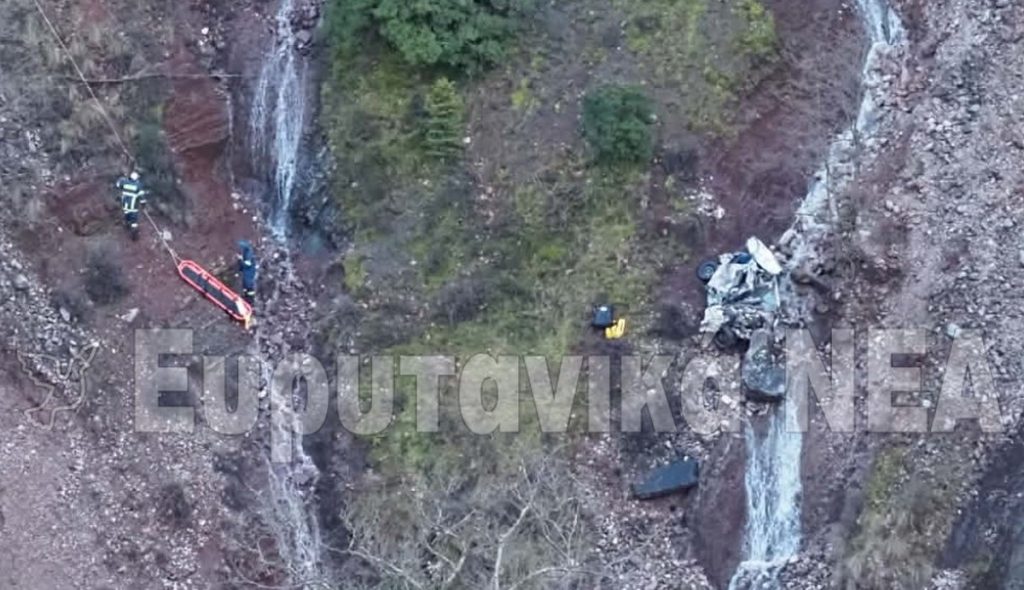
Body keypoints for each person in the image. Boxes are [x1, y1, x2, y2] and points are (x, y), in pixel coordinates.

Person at [115, 171, 147, 238]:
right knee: (134, 221)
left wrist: (122, 178)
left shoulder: (124, 182)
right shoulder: (138, 185)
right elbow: (142, 197)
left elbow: (117, 185)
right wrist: (143, 205)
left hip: (125, 205)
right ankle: (134, 235)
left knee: (127, 215)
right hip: (133, 207)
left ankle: (127, 224)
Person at [238, 240, 257, 304]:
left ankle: (249, 302)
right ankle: (247, 301)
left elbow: (247, 264)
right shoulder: (246, 252)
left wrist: (240, 260)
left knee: (249, 288)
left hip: (248, 276)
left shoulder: (248, 253)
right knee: (246, 288)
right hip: (247, 276)